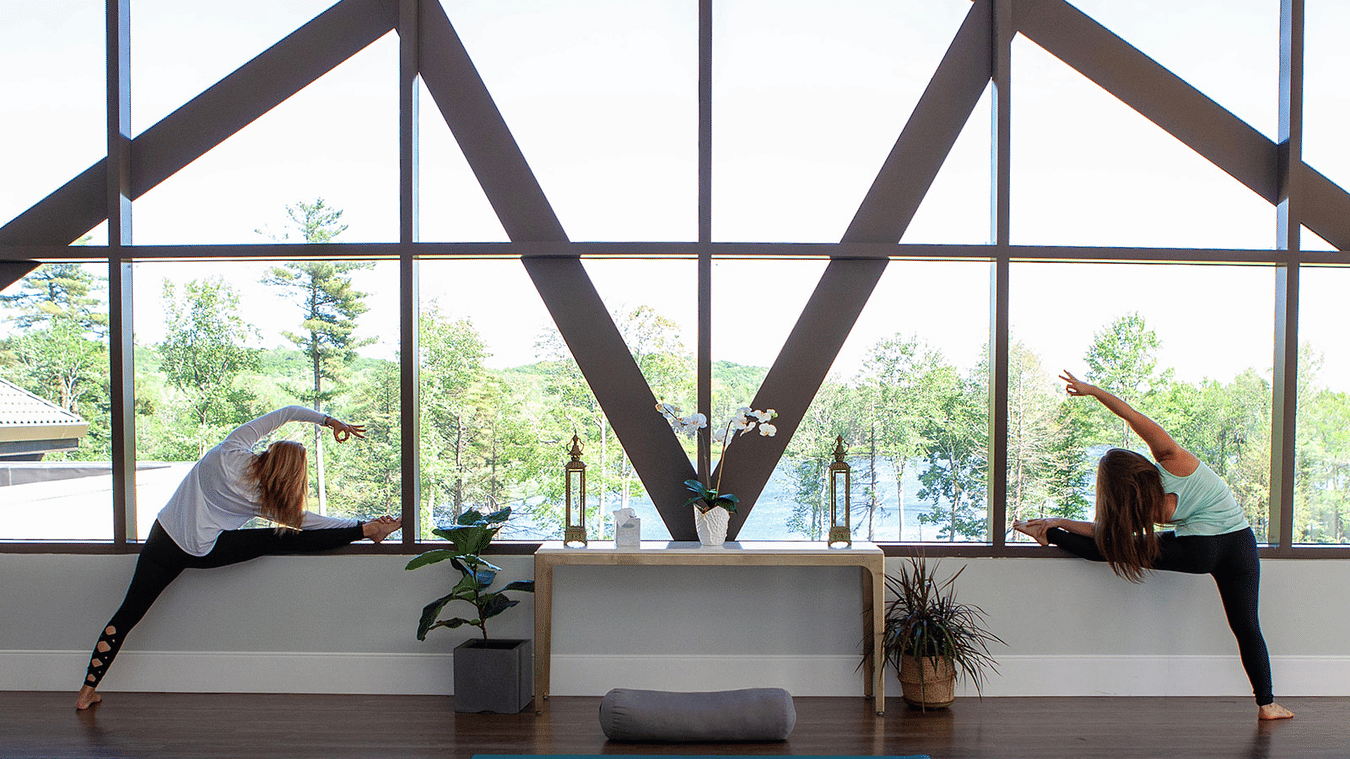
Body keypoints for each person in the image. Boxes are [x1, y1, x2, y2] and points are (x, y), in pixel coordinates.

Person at [74, 406, 402, 711]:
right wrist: (360, 525)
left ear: (270, 453)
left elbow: (286, 412)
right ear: (291, 477)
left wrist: (328, 421)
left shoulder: (230, 449)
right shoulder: (265, 500)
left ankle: (87, 692)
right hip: (204, 551)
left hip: (162, 540)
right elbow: (310, 522)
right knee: (279, 539)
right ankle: (370, 530)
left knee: (128, 614)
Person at [1014, 371, 1294, 721]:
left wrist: (1060, 524)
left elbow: (1106, 535)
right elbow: (1130, 415)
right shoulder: (1171, 456)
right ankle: (1267, 704)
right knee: (1247, 626)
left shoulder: (1140, 505)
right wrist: (1093, 390)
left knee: (1116, 548)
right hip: (1240, 543)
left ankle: (1045, 533)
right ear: (1139, 464)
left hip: (1198, 550)